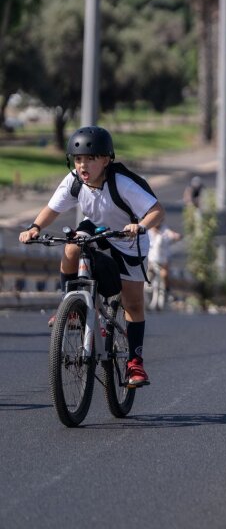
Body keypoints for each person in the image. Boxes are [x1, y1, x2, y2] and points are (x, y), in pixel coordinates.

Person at [19, 126, 164, 388]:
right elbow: (52, 209)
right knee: (72, 245)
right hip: (97, 226)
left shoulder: (122, 183)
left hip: (127, 239)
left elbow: (156, 211)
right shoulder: (75, 181)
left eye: (90, 158)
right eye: (78, 159)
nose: (83, 164)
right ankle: (71, 306)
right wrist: (35, 228)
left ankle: (135, 363)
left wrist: (140, 226)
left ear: (106, 160)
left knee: (133, 303)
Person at [147, 224, 182, 311]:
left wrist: (176, 236)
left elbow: (173, 234)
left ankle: (167, 291)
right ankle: (148, 293)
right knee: (149, 276)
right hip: (151, 260)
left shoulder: (165, 230)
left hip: (163, 260)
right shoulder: (147, 231)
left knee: (164, 275)